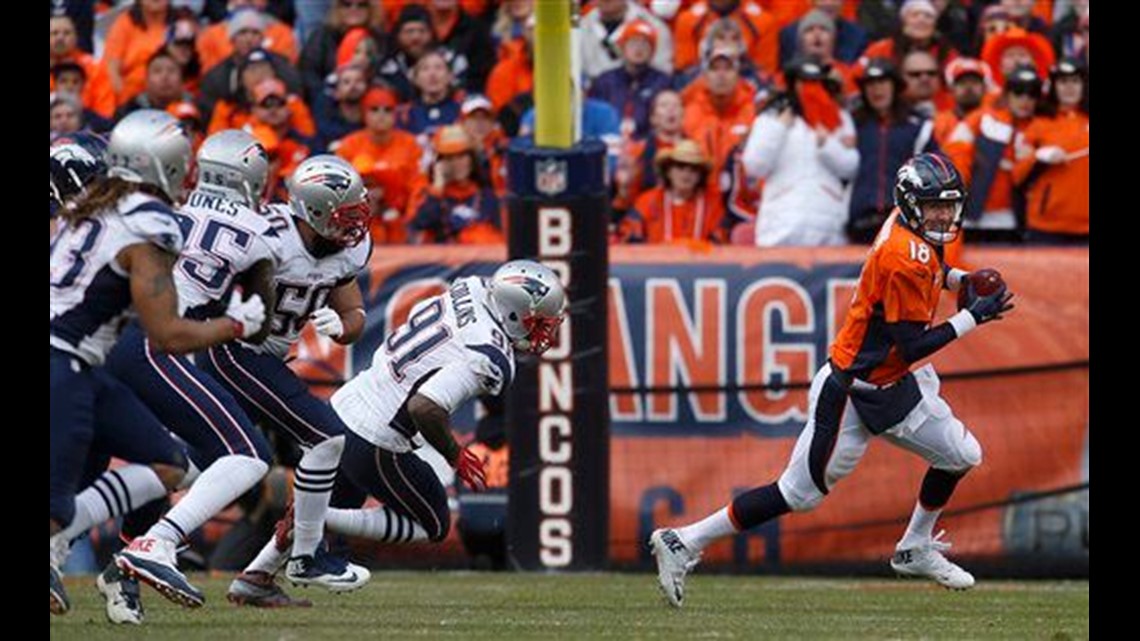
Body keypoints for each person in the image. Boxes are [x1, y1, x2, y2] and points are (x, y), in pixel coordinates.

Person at [651, 153, 1015, 608]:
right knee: (796, 494)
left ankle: (914, 548)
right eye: (934, 206)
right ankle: (684, 540)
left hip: (896, 383)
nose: (943, 215)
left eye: (948, 205)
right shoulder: (905, 253)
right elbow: (911, 346)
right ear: (909, 203)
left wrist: (961, 279)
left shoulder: (912, 232)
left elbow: (930, 275)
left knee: (962, 454)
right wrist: (971, 316)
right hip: (853, 389)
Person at [232, 260, 567, 601]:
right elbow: (424, 407)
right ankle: (313, 516)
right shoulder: (490, 356)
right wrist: (456, 455)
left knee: (322, 520)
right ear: (513, 313)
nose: (543, 331)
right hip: (377, 435)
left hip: (346, 404)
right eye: (537, 322)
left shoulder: (473, 287)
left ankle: (255, 578)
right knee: (433, 523)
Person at [50, 111, 266, 617]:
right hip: (64, 362)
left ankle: (106, 551)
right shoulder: (147, 218)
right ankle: (136, 547)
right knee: (57, 509)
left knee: (166, 460)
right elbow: (167, 334)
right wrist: (236, 324)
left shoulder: (87, 207)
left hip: (84, 364)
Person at [105, 129, 280, 611]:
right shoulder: (260, 231)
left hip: (107, 338)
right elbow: (260, 326)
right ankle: (157, 542)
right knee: (248, 454)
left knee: (167, 462)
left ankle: (104, 565)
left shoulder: (167, 208)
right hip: (152, 345)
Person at [205, 155, 374, 606]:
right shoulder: (267, 236)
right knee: (322, 439)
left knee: (233, 462)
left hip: (270, 364)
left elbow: (353, 311)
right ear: (314, 211)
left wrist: (345, 327)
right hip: (231, 353)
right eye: (345, 214)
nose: (355, 225)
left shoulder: (344, 250)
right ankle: (305, 555)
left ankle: (258, 576)